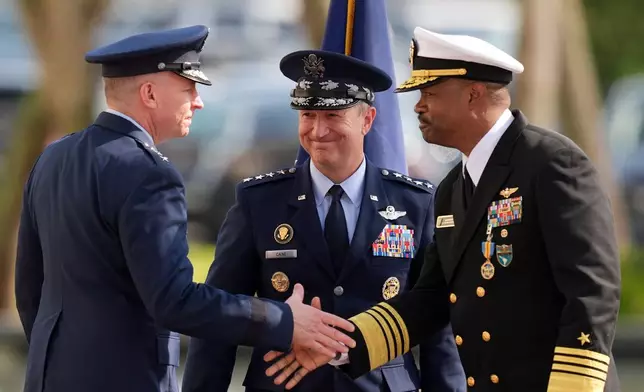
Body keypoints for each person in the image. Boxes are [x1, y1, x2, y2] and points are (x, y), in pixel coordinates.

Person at [264, 27, 622, 392]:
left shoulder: (551, 163)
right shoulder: (453, 187)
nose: (418, 105)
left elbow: (591, 294)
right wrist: (337, 346)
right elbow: (431, 298)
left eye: (430, 93)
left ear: (473, 95)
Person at [14, 25, 356, 392]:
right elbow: (174, 300)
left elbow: (30, 289)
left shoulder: (53, 158)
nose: (198, 101)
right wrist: (283, 320)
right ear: (149, 94)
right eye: (188, 88)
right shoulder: (148, 173)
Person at [181, 49, 466, 392]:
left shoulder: (414, 203)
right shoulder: (259, 202)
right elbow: (219, 321)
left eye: (333, 116)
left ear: (368, 119)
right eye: (308, 115)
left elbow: (438, 327)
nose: (317, 130)